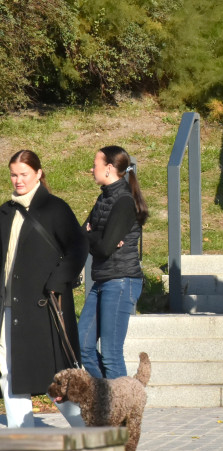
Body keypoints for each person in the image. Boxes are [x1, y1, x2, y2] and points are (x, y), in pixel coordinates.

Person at [0, 150, 88, 429]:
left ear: (38, 173)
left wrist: (56, 282)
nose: (18, 180)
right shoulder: (5, 211)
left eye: (24, 174)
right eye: (14, 174)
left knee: (59, 376)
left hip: (42, 306)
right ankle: (22, 436)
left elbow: (78, 247)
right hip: (8, 306)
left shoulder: (55, 208)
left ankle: (90, 430)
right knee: (8, 372)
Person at [78, 146, 148, 380]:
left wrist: (93, 235)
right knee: (83, 346)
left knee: (110, 353)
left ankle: (120, 409)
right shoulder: (104, 197)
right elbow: (83, 235)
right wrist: (97, 235)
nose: (91, 169)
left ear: (109, 168)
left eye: (95, 164)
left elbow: (105, 247)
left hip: (121, 281)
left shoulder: (124, 201)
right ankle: (106, 398)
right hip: (103, 279)